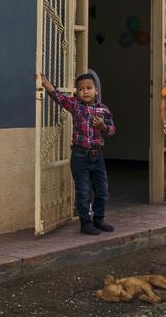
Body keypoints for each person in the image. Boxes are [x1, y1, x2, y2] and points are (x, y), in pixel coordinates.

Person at [40, 72, 116, 235]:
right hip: (80, 155)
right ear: (77, 92)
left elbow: (112, 130)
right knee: (83, 191)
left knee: (102, 190)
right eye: (81, 89)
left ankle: (99, 220)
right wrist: (47, 85)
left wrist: (103, 127)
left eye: (89, 88)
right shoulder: (75, 106)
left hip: (97, 156)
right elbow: (60, 98)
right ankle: (85, 223)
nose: (85, 92)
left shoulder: (103, 109)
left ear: (96, 90)